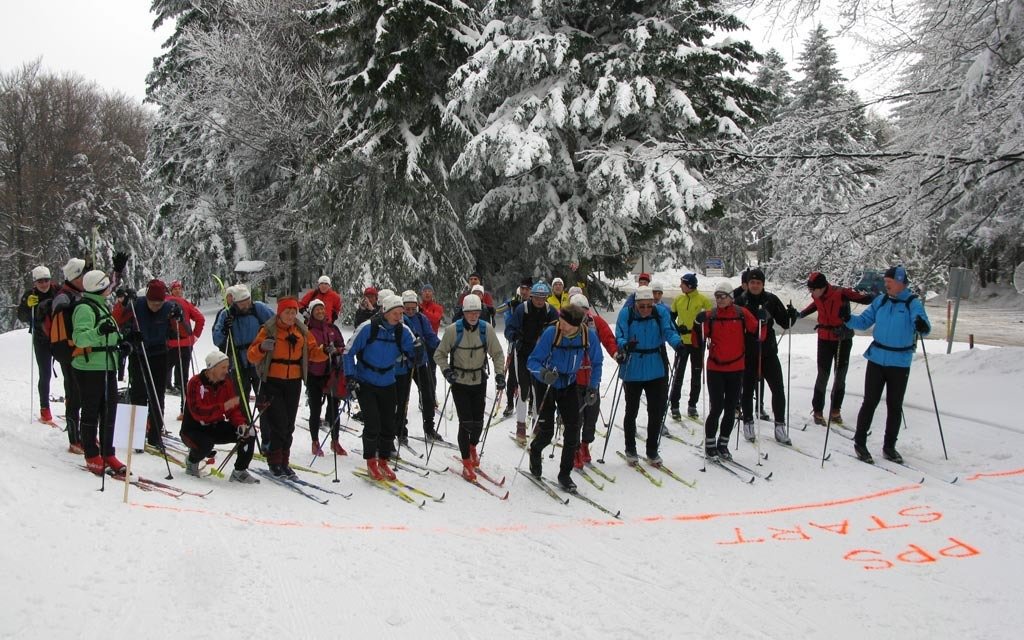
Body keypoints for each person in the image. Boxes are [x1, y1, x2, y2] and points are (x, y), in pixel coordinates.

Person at [845, 265, 930, 464]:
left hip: (900, 362)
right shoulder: (880, 301)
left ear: (900, 282)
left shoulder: (912, 303)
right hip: (876, 358)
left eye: (889, 283)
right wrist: (847, 319)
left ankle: (889, 447)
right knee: (870, 402)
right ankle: (860, 443)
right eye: (886, 282)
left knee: (894, 405)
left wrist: (922, 326)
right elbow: (864, 322)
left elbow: (924, 327)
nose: (886, 286)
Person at [247, 297, 329, 477]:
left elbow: (313, 353)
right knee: (279, 424)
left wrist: (325, 352)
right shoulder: (269, 330)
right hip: (272, 382)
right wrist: (261, 347)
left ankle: (284, 461)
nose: (291, 316)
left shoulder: (302, 331)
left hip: (293, 382)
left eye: (294, 312)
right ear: (280, 313)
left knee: (289, 425)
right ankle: (275, 461)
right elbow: (251, 356)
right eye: (288, 312)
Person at [526, 304, 603, 490]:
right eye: (560, 321)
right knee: (547, 432)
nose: (562, 326)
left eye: (566, 324)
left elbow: (597, 362)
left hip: (569, 384)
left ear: (577, 325)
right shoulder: (552, 333)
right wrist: (543, 373)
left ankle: (565, 474)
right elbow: (532, 361)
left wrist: (593, 387)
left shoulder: (587, 335)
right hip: (547, 383)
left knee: (572, 429)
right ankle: (535, 452)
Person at [434, 294, 506, 480]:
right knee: (466, 423)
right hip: (459, 381)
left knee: (478, 423)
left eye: (476, 312)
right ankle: (466, 462)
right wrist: (446, 371)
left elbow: (498, 354)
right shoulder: (453, 331)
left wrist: (499, 374)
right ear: (463, 313)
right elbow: (439, 355)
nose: (473, 316)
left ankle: (472, 446)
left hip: (478, 380)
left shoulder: (486, 329)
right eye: (470, 312)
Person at [345, 295, 417, 480]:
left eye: (401, 313)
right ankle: (371, 461)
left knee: (389, 424)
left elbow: (413, 354)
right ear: (385, 312)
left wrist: (418, 351)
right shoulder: (368, 328)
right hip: (366, 381)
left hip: (388, 380)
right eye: (395, 313)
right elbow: (348, 351)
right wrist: (350, 376)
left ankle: (383, 461)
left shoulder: (403, 331)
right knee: (372, 423)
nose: (398, 316)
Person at [693, 282, 763, 461]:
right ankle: (710, 444)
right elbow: (697, 341)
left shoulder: (741, 313)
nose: (719, 300)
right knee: (716, 407)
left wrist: (764, 319)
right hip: (715, 368)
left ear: (731, 297)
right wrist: (696, 324)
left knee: (731, 408)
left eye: (722, 296)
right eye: (716, 296)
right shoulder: (711, 315)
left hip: (736, 367)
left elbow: (759, 332)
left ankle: (723, 444)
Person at [614, 285, 682, 465]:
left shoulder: (660, 313)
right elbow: (620, 334)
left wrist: (678, 345)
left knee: (656, 410)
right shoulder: (626, 314)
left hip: (655, 368)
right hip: (633, 367)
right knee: (632, 410)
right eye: (641, 306)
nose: (645, 309)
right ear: (635, 304)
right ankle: (630, 448)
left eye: (648, 305)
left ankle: (652, 449)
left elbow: (669, 331)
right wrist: (625, 345)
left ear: (653, 303)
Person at [113, 279, 183, 448]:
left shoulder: (168, 307)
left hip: (159, 354)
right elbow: (118, 321)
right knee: (138, 393)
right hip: (139, 353)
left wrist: (178, 318)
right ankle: (134, 436)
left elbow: (181, 330)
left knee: (157, 395)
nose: (155, 307)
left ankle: (155, 434)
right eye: (153, 303)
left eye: (159, 303)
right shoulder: (137, 305)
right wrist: (129, 331)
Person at [799, 271, 875, 425]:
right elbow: (815, 305)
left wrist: (876, 295)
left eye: (813, 290)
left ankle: (835, 410)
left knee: (840, 376)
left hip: (842, 338)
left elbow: (863, 299)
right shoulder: (817, 295)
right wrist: (800, 314)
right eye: (810, 290)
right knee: (823, 375)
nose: (811, 293)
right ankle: (818, 410)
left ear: (822, 287)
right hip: (824, 339)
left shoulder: (841, 293)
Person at [733, 268, 798, 444]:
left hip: (768, 351)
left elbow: (785, 322)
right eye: (752, 282)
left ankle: (779, 426)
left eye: (758, 283)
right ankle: (748, 422)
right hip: (748, 352)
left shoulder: (771, 299)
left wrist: (792, 315)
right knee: (747, 389)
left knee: (778, 388)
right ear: (748, 284)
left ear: (763, 284)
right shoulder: (740, 301)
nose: (755, 285)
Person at [72, 270, 126, 475]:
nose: (110, 288)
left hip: (107, 365)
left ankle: (108, 451)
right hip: (90, 367)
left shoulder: (101, 306)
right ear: (99, 287)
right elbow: (80, 339)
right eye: (107, 285)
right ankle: (92, 453)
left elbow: (109, 334)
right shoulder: (85, 308)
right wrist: (99, 332)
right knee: (92, 410)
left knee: (109, 411)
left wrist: (122, 342)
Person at [180, 350, 259, 483]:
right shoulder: (195, 382)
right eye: (223, 367)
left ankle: (240, 471)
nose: (226, 371)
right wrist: (223, 407)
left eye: (227, 367)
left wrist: (241, 424)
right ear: (212, 367)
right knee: (206, 444)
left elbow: (233, 409)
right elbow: (199, 413)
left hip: (215, 426)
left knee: (249, 433)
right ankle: (192, 462)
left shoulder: (226, 382)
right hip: (193, 429)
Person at [504, 281, 558, 442]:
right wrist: (515, 338)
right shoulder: (523, 309)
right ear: (532, 296)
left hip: (541, 356)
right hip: (523, 354)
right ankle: (521, 427)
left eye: (543, 297)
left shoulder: (550, 311)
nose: (540, 301)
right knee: (523, 389)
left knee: (538, 391)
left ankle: (536, 425)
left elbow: (558, 330)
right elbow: (509, 329)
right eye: (537, 297)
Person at [211, 284, 274, 418]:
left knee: (264, 399)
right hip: (237, 363)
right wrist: (224, 330)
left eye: (248, 302)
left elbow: (275, 323)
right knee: (240, 400)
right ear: (235, 303)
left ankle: (267, 435)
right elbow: (217, 339)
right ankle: (245, 429)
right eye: (242, 304)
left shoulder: (258, 308)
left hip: (259, 360)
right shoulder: (226, 314)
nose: (246, 306)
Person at [569, 294, 616, 469]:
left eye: (582, 311)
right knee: (575, 418)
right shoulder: (564, 326)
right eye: (576, 312)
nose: (579, 315)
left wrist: (617, 353)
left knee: (591, 415)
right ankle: (574, 450)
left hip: (590, 378)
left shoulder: (594, 325)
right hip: (572, 379)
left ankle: (585, 445)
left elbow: (607, 342)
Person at [48, 258, 87, 452]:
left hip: (80, 352)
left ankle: (82, 435)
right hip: (69, 352)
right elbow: (58, 312)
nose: (84, 279)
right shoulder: (64, 296)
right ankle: (74, 439)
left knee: (83, 393)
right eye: (81, 275)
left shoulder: (79, 294)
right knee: (74, 393)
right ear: (74, 277)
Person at [397, 290, 441, 444]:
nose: (410, 311)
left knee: (428, 395)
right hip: (405, 364)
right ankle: (401, 430)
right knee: (403, 398)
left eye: (412, 308)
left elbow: (429, 335)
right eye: (407, 308)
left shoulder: (421, 319)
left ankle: (429, 428)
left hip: (421, 361)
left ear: (417, 306)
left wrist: (439, 346)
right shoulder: (399, 320)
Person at [305, 299, 347, 456]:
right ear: (311, 312)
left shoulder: (332, 328)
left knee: (334, 409)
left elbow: (342, 346)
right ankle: (315, 442)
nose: (320, 312)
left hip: (332, 373)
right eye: (317, 310)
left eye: (322, 310)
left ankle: (335, 441)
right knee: (315, 410)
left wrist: (335, 350)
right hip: (314, 374)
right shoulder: (307, 330)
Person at [668, 273, 712, 421]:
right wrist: (676, 328)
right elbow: (670, 319)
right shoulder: (678, 299)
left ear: (690, 286)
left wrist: (701, 329)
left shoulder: (703, 301)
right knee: (678, 374)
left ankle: (692, 405)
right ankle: (674, 405)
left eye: (683, 283)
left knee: (696, 375)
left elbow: (711, 319)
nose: (680, 286)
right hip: (681, 343)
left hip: (697, 342)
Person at [18, 266, 57, 424]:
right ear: (34, 282)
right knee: (45, 373)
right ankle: (45, 410)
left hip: (58, 337)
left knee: (70, 373)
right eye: (40, 281)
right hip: (41, 339)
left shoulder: (56, 291)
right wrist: (28, 306)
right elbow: (22, 315)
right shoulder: (30, 295)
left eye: (46, 280)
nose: (43, 284)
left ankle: (71, 405)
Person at [166, 280, 206, 402]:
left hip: (170, 343)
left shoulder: (165, 303)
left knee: (166, 367)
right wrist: (194, 336)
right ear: (171, 290)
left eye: (179, 288)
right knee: (183, 370)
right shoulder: (185, 303)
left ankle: (169, 385)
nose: (178, 290)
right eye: (175, 289)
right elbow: (200, 319)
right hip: (185, 343)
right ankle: (181, 394)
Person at [500, 278, 534, 417]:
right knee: (512, 375)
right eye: (523, 288)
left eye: (527, 289)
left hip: (531, 345)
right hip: (515, 345)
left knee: (532, 376)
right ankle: (509, 404)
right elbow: (501, 314)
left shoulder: (535, 303)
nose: (525, 291)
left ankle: (531, 404)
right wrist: (511, 307)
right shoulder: (514, 301)